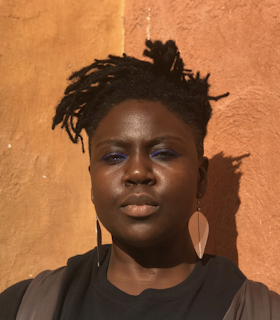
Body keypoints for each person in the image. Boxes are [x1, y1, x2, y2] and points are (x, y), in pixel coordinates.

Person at [0, 40, 279, 320]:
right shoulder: (21, 306)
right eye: (113, 157)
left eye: (163, 153)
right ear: (92, 183)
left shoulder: (260, 311)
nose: (137, 173)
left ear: (200, 178)